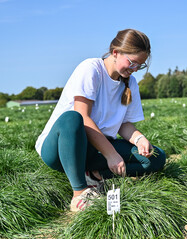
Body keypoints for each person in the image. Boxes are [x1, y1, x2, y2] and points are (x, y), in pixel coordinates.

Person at [35, 29, 166, 212]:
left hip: (94, 149)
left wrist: (139, 139)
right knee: (73, 118)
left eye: (140, 66)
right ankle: (79, 193)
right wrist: (111, 154)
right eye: (132, 62)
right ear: (115, 52)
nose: (135, 69)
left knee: (156, 158)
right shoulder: (91, 69)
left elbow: (123, 124)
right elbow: (83, 117)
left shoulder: (131, 83)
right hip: (62, 148)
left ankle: (95, 176)